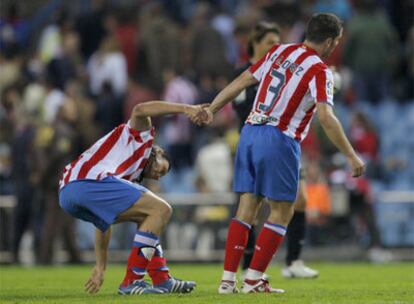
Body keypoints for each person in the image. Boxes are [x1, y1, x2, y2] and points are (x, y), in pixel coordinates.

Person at [195, 13, 365, 294]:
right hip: (279, 137)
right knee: (283, 211)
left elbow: (242, 80)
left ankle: (227, 281)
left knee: (246, 207)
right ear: (332, 41)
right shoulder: (320, 70)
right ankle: (253, 279)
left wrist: (211, 109)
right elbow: (325, 116)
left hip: (248, 132)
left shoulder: (278, 51)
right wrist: (350, 154)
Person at [58, 100, 206, 295]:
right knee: (161, 209)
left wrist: (100, 267)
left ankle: (161, 279)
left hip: (69, 194)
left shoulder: (127, 177)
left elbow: (103, 223)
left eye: (161, 176)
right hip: (85, 182)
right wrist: (186, 109)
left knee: (146, 215)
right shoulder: (142, 139)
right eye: (161, 168)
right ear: (158, 152)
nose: (157, 175)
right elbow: (139, 109)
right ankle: (131, 282)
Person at [233, 21, 319, 280]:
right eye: (270, 42)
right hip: (256, 143)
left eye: (277, 41)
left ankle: (294, 261)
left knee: (299, 199)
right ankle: (249, 266)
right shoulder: (244, 73)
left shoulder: (285, 69)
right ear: (255, 44)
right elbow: (240, 110)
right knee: (253, 207)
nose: (276, 46)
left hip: (284, 143)